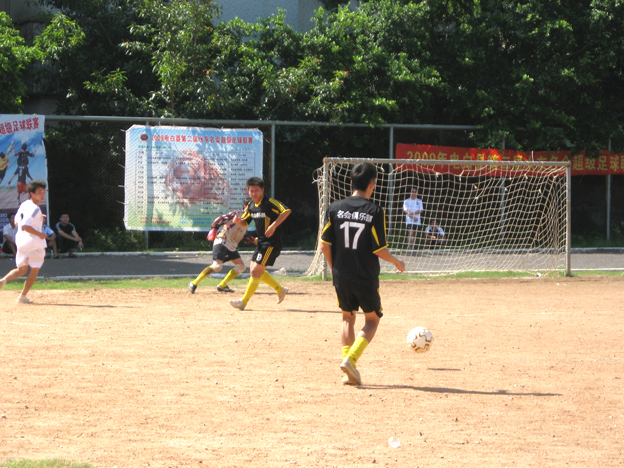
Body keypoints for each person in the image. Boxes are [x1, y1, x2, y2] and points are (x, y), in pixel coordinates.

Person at [320, 163, 406, 386]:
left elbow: (324, 245)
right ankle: (351, 359)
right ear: (372, 184)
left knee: (347, 317)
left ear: (351, 182)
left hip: (341, 274)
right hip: (365, 275)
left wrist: (333, 268)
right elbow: (379, 249)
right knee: (372, 320)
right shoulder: (375, 211)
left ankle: (348, 369)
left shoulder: (334, 208)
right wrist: (397, 261)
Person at [229, 177, 291, 311]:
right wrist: (238, 221)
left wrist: (274, 225)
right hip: (261, 242)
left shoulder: (269, 202)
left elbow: (286, 211)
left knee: (255, 271)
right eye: (251, 191)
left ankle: (243, 302)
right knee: (255, 270)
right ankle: (280, 290)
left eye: (256, 190)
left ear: (262, 190)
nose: (254, 193)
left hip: (272, 242)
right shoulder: (251, 205)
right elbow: (245, 222)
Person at [188, 198, 257, 294]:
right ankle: (194, 283)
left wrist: (253, 240)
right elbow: (220, 219)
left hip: (231, 246)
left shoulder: (246, 221)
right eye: (251, 206)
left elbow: (242, 235)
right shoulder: (237, 214)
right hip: (222, 241)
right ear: (245, 206)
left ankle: (222, 285)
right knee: (217, 266)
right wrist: (214, 229)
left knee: (241, 267)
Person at [0, 180, 48, 304]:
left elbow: (17, 222)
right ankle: (22, 296)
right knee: (34, 270)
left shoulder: (25, 204)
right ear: (32, 193)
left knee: (21, 269)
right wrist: (40, 234)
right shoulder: (35, 209)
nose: (42, 195)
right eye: (39, 192)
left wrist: (39, 218)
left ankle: (3, 280)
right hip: (33, 241)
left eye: (43, 192)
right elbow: (26, 225)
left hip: (21, 241)